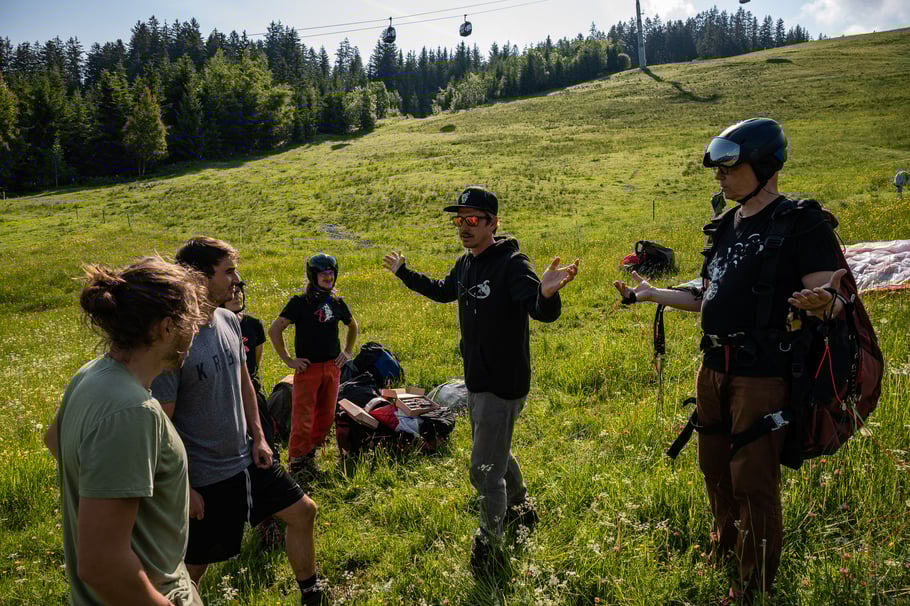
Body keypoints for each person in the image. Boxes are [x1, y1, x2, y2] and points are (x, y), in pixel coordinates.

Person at [614, 118, 846, 602]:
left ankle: (752, 587)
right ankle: (723, 549)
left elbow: (834, 295)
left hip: (763, 375)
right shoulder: (725, 225)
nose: (719, 176)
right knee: (713, 468)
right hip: (713, 367)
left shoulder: (801, 222)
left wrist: (825, 302)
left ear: (764, 166)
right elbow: (708, 293)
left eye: (729, 167)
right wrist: (653, 294)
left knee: (753, 483)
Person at [382, 186, 579, 577]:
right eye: (459, 220)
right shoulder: (466, 263)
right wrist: (404, 273)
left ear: (493, 223)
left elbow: (539, 310)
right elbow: (442, 292)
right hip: (477, 378)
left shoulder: (512, 264)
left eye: (473, 219)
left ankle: (490, 545)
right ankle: (523, 508)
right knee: (496, 449)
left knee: (484, 469)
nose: (464, 227)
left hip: (503, 382)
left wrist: (547, 293)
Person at [151, 237, 326, 606]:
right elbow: (161, 424)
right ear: (198, 277)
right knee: (193, 566)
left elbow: (245, 382)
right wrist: (184, 487)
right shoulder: (174, 340)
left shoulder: (229, 320)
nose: (236, 279)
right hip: (206, 476)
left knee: (303, 512)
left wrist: (259, 437)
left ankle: (312, 595)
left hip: (249, 460)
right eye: (228, 271)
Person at [44, 256, 207, 606]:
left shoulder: (91, 374)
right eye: (192, 322)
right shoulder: (132, 411)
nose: (196, 331)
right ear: (166, 328)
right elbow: (102, 565)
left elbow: (54, 440)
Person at [269, 253, 359, 485]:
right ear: (313, 275)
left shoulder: (337, 302)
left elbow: (353, 326)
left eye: (331, 273)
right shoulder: (299, 302)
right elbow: (275, 329)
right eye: (323, 274)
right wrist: (289, 360)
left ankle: (311, 452)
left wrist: (347, 351)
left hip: (332, 368)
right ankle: (297, 460)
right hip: (307, 369)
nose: (328, 277)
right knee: (303, 417)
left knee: (326, 415)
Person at [222, 280, 283, 550]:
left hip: (252, 397)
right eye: (232, 291)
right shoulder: (217, 327)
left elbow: (253, 367)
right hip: (227, 401)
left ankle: (271, 516)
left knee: (268, 449)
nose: (237, 295)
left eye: (240, 290)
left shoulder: (253, 325)